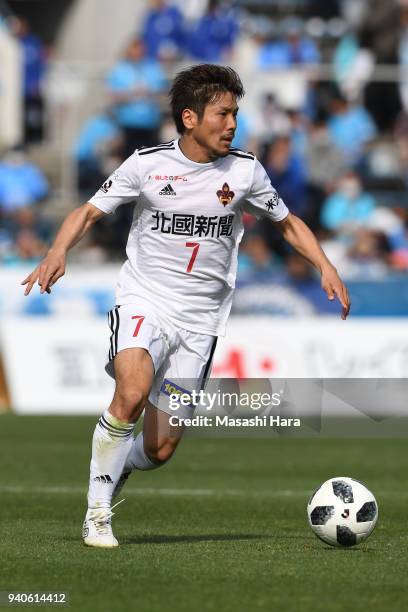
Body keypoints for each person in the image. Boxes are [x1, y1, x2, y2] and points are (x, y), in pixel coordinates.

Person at [21, 64, 350, 549]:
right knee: (130, 391)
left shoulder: (245, 171)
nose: (233, 123)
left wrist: (325, 264)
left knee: (160, 448)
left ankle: (119, 466)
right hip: (145, 299)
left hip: (200, 321)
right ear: (191, 118)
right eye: (223, 113)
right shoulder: (147, 165)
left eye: (236, 112)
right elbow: (89, 210)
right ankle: (97, 512)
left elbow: (287, 222)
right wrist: (57, 250)